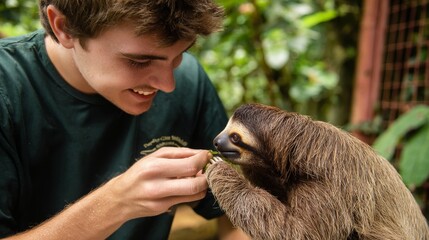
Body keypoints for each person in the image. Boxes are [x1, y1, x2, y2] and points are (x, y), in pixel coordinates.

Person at [0, 0, 249, 239]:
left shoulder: (189, 81)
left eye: (179, 55)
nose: (168, 85)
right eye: (139, 61)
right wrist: (117, 203)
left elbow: (235, 223)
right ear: (64, 27)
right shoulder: (8, 91)